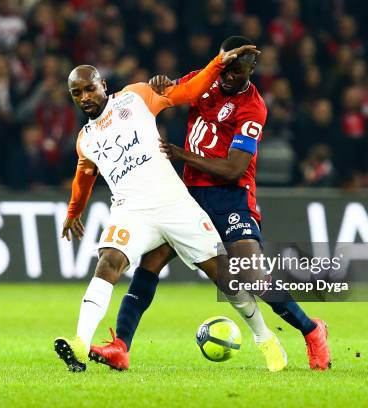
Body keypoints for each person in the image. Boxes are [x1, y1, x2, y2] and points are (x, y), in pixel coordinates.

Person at [90, 36, 331, 372]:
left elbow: (234, 168)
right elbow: (166, 94)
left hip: (229, 196)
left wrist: (180, 154)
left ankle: (311, 329)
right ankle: (121, 347)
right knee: (150, 264)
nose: (229, 75)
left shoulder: (253, 107)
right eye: (225, 67)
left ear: (252, 67)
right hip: (186, 194)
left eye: (238, 69)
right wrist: (159, 84)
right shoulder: (204, 79)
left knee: (252, 276)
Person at [54, 45, 286, 373]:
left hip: (175, 204)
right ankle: (80, 341)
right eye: (76, 93)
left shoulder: (135, 97)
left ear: (103, 84)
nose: (84, 97)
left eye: (89, 88)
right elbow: (84, 176)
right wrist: (73, 211)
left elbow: (190, 90)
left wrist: (218, 62)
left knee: (224, 276)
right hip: (131, 211)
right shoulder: (85, 139)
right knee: (108, 262)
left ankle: (265, 339)